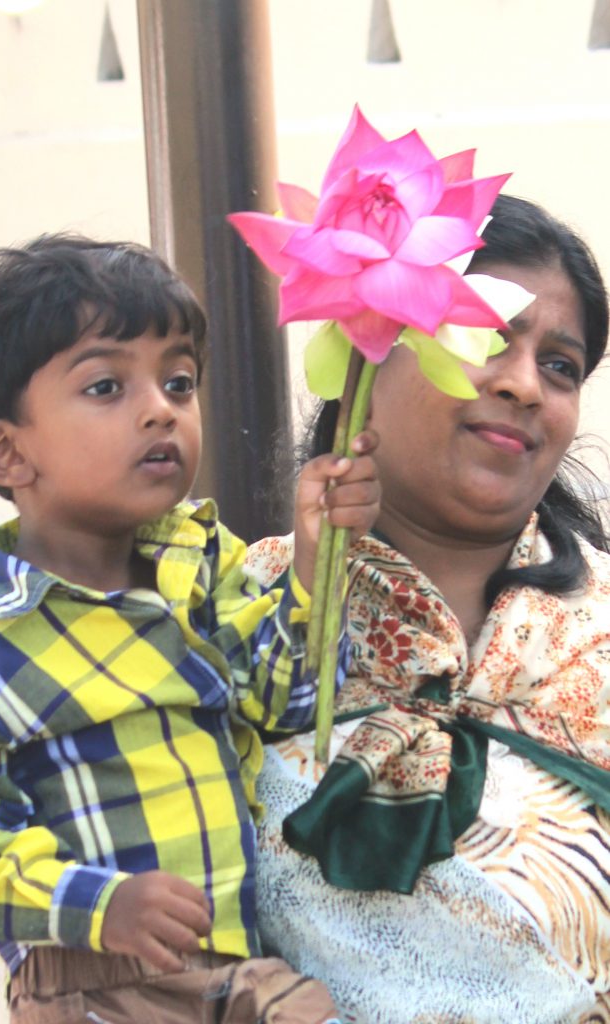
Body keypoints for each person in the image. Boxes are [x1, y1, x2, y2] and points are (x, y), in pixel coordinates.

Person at [0, 235, 381, 1024]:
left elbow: (286, 699)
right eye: (107, 386)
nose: (159, 408)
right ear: (6, 451)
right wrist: (101, 903)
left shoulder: (199, 564)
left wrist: (313, 560)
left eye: (178, 381)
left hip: (231, 959)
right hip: (97, 978)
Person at [245, 195, 610, 1024]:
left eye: (559, 365)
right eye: (481, 337)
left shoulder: (599, 635)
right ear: (364, 362)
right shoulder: (237, 618)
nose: (522, 383)